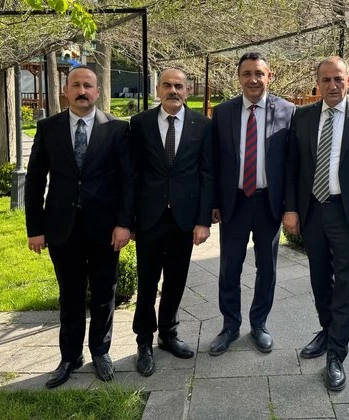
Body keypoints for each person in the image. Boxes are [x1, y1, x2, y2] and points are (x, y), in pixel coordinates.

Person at [25, 65, 135, 388]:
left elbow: (128, 181)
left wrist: (124, 224)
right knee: (70, 295)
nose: (82, 91)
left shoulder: (117, 129)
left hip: (106, 229)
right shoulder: (48, 128)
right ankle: (70, 356)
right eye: (76, 85)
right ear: (66, 91)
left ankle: (100, 351)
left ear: (97, 91)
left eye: (88, 85)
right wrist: (35, 228)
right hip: (62, 228)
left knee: (103, 293)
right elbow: (34, 180)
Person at [284, 56, 349, 391]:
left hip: (348, 214)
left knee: (347, 283)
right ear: (318, 83)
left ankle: (337, 354)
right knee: (319, 278)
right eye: (325, 80)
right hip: (313, 210)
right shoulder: (303, 116)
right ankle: (327, 330)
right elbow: (292, 166)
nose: (332, 85)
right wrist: (291, 209)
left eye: (338, 79)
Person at [209, 52, 295, 356]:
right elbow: (214, 161)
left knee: (267, 268)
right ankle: (230, 326)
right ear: (239, 78)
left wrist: (290, 206)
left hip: (268, 202)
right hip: (234, 202)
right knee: (229, 268)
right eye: (246, 74)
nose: (253, 79)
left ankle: (259, 324)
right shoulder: (223, 112)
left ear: (269, 76)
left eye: (259, 73)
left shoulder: (288, 111)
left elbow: (292, 163)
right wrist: (214, 202)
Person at [130, 68, 213, 376]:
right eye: (167, 85)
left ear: (187, 90)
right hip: (150, 218)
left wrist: (203, 220)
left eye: (179, 85)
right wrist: (129, 220)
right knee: (147, 283)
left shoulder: (202, 125)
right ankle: (143, 341)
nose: (173, 90)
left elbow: (207, 174)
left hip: (184, 219)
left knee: (176, 281)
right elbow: (132, 174)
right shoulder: (140, 123)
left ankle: (168, 333)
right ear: (157, 89)